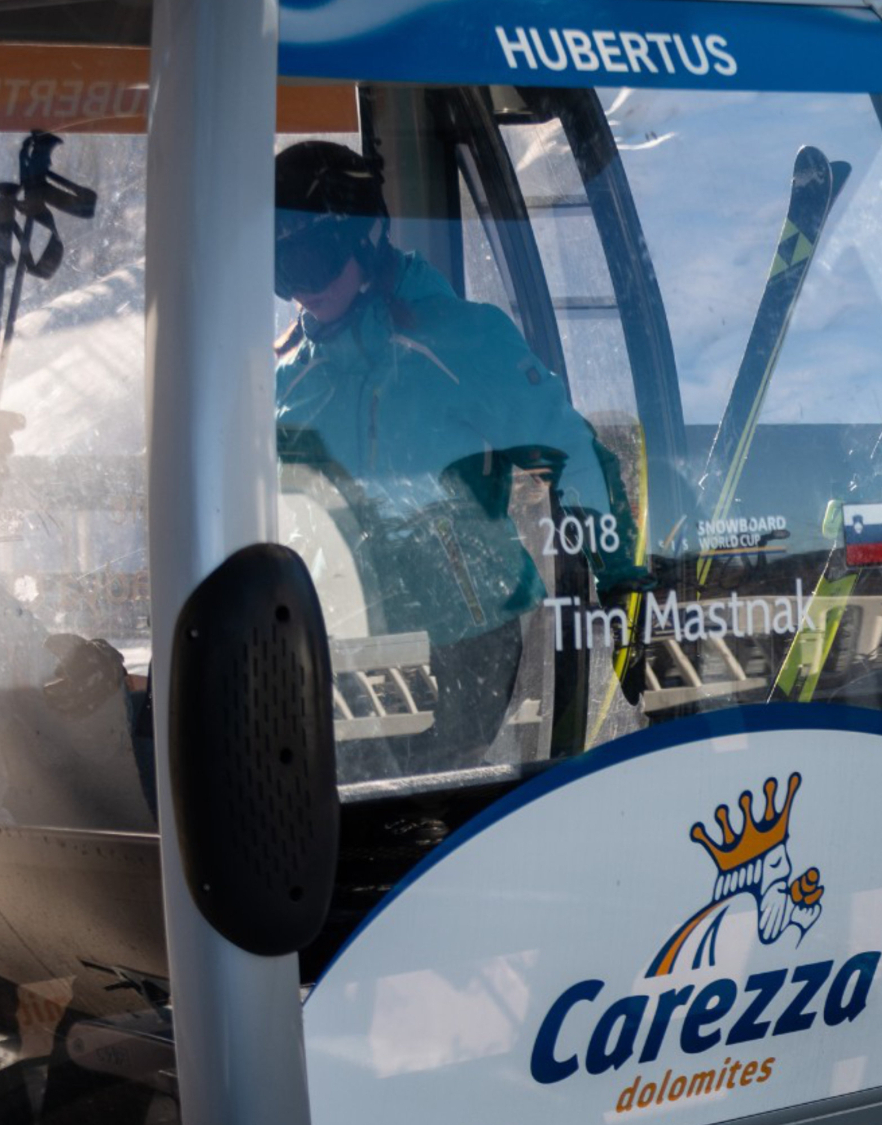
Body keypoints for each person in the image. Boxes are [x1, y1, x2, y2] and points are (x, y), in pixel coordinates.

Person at [273, 140, 642, 777]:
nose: (302, 290)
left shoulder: (461, 342)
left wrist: (622, 584)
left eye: (313, 260)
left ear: (366, 239)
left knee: (409, 801)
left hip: (470, 641)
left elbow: (570, 450)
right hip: (349, 641)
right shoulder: (292, 386)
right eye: (280, 270)